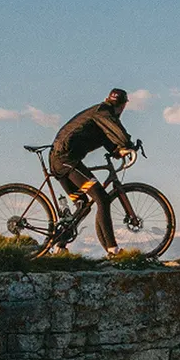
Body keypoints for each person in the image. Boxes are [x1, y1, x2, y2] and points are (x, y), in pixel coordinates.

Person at [49, 88, 136, 255]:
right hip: (66, 160)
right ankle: (113, 249)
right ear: (123, 105)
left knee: (82, 205)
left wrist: (117, 151)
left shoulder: (99, 115)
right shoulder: (104, 111)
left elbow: (106, 138)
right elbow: (117, 131)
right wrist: (128, 145)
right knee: (102, 198)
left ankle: (59, 245)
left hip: (60, 160)